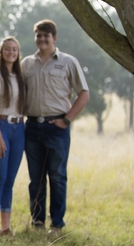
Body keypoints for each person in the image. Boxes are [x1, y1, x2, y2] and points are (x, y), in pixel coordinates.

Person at [21, 19, 89, 234]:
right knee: (36, 179)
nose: (42, 39)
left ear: (54, 38)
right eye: (38, 35)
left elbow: (84, 93)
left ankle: (57, 224)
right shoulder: (26, 64)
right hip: (32, 127)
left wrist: (67, 119)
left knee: (57, 176)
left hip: (57, 126)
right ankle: (37, 222)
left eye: (46, 35)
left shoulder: (68, 62)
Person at [0, 36, 26, 236]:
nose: (11, 52)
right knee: (0, 177)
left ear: (18, 54)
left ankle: (6, 226)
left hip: (19, 128)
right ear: (1, 52)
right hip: (0, 126)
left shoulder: (20, 77)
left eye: (14, 50)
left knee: (10, 179)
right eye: (7, 49)